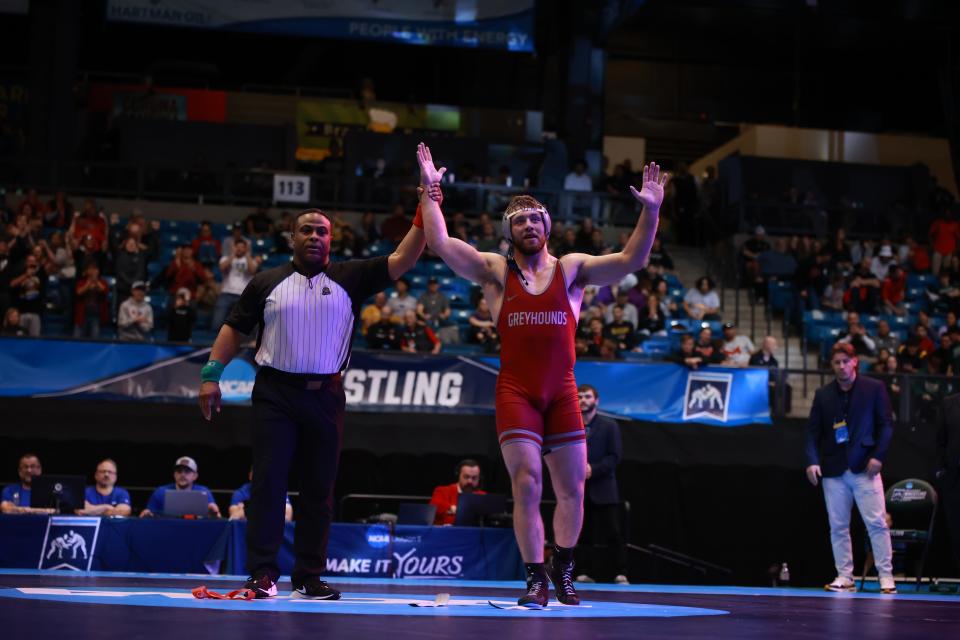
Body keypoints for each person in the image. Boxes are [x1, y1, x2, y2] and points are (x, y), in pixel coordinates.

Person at [416, 141, 665, 607]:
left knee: (572, 488)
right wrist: (431, 192)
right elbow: (440, 244)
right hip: (517, 391)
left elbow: (632, 261)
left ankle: (564, 569)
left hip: (562, 392)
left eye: (535, 218)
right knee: (527, 481)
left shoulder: (571, 269)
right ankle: (535, 578)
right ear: (508, 231)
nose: (529, 225)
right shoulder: (495, 271)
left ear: (547, 226)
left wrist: (650, 212)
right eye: (519, 220)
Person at [197, 204, 425, 600]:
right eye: (307, 230)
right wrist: (210, 376)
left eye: (322, 231)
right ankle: (263, 575)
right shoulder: (266, 282)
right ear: (292, 238)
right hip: (275, 395)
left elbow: (405, 257)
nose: (315, 236)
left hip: (326, 396)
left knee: (319, 489)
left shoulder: (351, 277)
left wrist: (427, 206)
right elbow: (234, 328)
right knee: (268, 486)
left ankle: (309, 576)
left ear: (331, 239)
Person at [804, 342, 896, 594]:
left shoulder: (874, 388)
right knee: (838, 525)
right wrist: (812, 461)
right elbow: (812, 432)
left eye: (846, 361)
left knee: (876, 523)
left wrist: (878, 456)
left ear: (855, 361)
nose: (842, 366)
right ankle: (844, 575)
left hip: (865, 467)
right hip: (833, 468)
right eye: (837, 362)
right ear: (832, 365)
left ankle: (886, 576)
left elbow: (886, 425)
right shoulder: (823, 395)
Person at [574, 384, 628, 585]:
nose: (583, 400)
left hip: (604, 488)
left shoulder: (608, 425)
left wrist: (593, 469)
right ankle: (584, 571)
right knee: (583, 533)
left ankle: (620, 571)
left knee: (613, 532)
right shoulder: (571, 425)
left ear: (596, 400)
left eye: (587, 396)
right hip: (579, 488)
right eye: (579, 396)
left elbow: (614, 456)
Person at [140, 456, 220, 518]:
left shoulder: (204, 492)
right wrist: (146, 513)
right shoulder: (160, 491)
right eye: (179, 471)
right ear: (174, 475)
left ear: (195, 476)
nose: (182, 474)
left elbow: (216, 516)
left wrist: (214, 513)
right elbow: (147, 514)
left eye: (187, 471)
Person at [212, 238, 260, 331]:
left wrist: (247, 254)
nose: (239, 249)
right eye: (237, 247)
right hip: (226, 294)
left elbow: (253, 270)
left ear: (246, 249)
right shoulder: (225, 258)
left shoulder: (250, 260)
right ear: (233, 247)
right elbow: (222, 268)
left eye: (242, 247)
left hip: (243, 295)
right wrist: (232, 254)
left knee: (247, 324)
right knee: (216, 323)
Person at [936, 393, 960, 571]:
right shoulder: (948, 403)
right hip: (954, 477)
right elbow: (940, 440)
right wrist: (941, 470)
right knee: (956, 529)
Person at [429, 459, 486, 526]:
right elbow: (434, 506)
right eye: (466, 477)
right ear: (458, 475)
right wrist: (453, 508)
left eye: (474, 478)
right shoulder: (442, 491)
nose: (470, 481)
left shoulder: (482, 496)